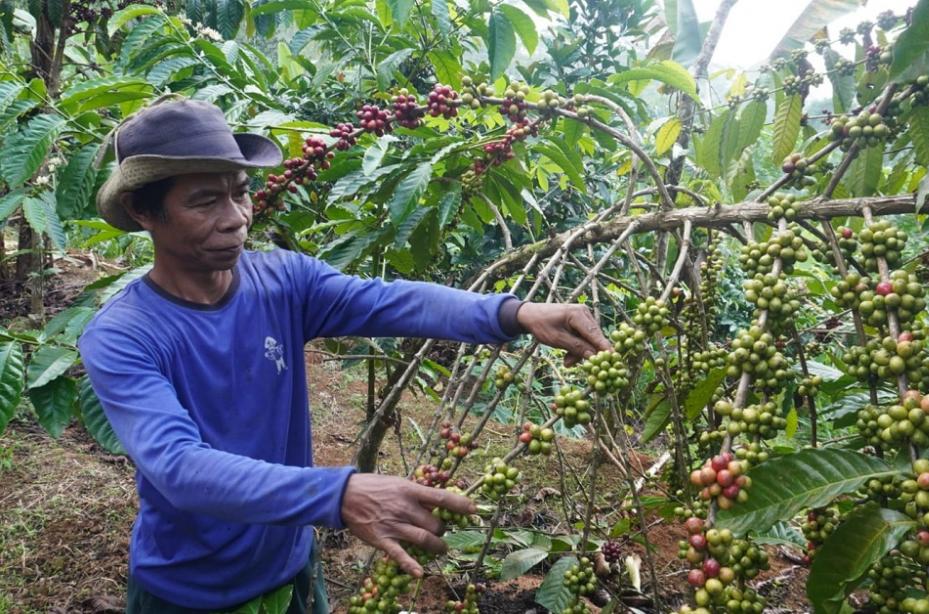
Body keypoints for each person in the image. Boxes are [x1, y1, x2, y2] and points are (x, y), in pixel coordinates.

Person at [77, 97, 612, 613]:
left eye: (240, 192)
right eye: (204, 201)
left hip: (291, 566)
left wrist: (514, 314)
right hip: (188, 590)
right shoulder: (125, 335)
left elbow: (391, 301)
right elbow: (179, 467)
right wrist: (340, 493)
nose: (237, 217)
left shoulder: (283, 280)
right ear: (142, 210)